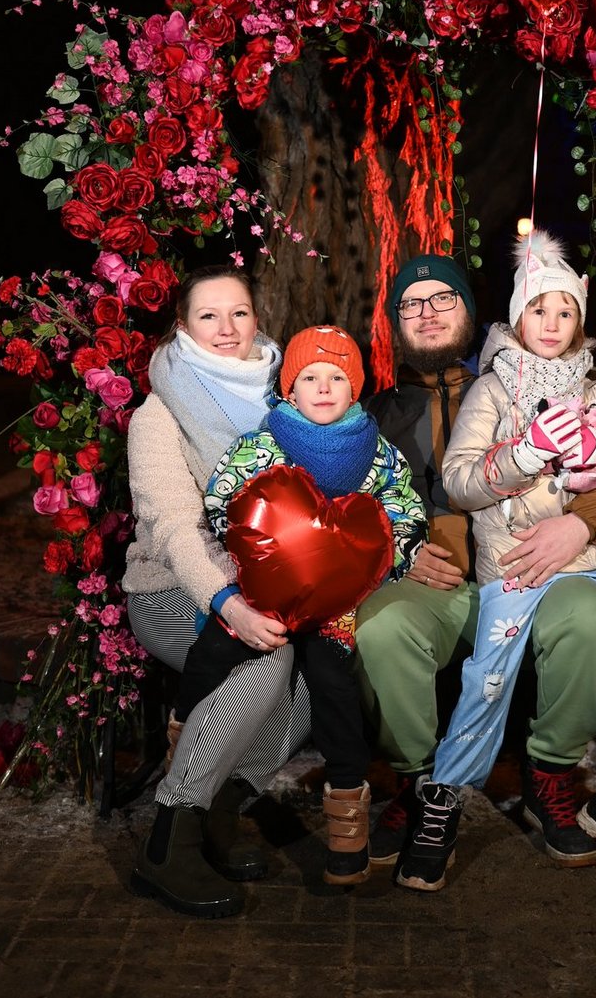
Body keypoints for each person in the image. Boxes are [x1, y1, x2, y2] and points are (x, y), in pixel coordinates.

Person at [396, 231, 596, 891]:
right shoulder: (494, 388)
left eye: (565, 311)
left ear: (579, 319)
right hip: (517, 556)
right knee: (488, 677)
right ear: (517, 316)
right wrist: (525, 454)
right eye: (538, 309)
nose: (551, 324)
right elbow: (460, 481)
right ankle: (443, 800)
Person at [172, 324, 427, 884]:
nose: (324, 387)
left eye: (337, 377)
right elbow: (223, 497)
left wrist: (382, 560)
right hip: (267, 594)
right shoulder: (263, 445)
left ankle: (347, 822)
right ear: (289, 387)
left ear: (355, 388)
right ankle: (184, 732)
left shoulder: (378, 453)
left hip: (338, 603)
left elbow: (405, 512)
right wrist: (254, 550)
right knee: (217, 646)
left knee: (335, 693)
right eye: (310, 377)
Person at [122, 264, 311, 918]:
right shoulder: (159, 415)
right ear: (183, 326)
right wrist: (230, 603)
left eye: (239, 312)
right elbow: (174, 528)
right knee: (264, 661)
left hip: (274, 585)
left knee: (321, 669)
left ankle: (220, 808)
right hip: (174, 588)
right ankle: (169, 837)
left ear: (257, 318)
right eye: (208, 315)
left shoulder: (289, 397)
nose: (226, 328)